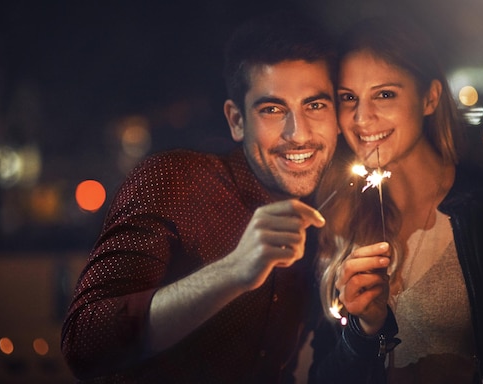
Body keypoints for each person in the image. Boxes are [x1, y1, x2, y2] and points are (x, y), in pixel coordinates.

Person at [308, 11, 483, 384]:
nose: (362, 118)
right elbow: (321, 376)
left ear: (430, 98)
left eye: (385, 94)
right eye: (348, 97)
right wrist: (363, 332)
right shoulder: (339, 221)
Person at [61, 11, 339, 383]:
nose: (298, 133)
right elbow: (84, 343)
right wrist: (233, 270)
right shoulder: (173, 180)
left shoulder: (333, 213)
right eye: (272, 109)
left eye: (315, 105)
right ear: (237, 121)